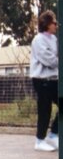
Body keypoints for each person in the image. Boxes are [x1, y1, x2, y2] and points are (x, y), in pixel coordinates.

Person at [30, 10, 59, 151]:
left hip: (54, 79)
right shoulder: (39, 39)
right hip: (41, 80)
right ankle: (39, 141)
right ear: (47, 24)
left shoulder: (54, 39)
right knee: (45, 109)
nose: (56, 25)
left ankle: (53, 135)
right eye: (54, 22)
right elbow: (48, 59)